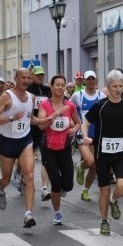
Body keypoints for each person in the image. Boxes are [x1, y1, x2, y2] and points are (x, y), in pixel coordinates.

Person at [81, 69, 123, 236]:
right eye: (114, 86)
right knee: (104, 189)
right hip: (101, 154)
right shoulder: (100, 105)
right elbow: (86, 123)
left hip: (121, 153)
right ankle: (104, 221)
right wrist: (84, 136)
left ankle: (114, 200)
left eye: (120, 86)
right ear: (108, 87)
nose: (118, 89)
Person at [0, 68, 39, 228]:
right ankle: (1, 188)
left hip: (25, 140)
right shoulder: (6, 97)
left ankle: (28, 214)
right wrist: (11, 117)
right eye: (23, 78)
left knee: (29, 175)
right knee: (6, 178)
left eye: (28, 78)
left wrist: (43, 121)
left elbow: (30, 119)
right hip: (7, 141)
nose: (26, 81)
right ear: (16, 78)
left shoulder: (31, 97)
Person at [38, 75, 81, 224]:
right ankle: (57, 212)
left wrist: (75, 129)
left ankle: (61, 189)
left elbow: (78, 122)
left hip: (65, 147)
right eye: (57, 85)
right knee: (56, 183)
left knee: (68, 185)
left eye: (63, 85)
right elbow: (42, 125)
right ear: (51, 86)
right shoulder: (44, 104)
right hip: (48, 148)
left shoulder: (70, 105)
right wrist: (58, 112)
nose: (60, 88)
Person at [71, 70, 105, 201]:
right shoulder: (77, 95)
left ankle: (85, 190)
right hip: (81, 133)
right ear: (84, 81)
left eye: (93, 79)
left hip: (96, 134)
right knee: (90, 161)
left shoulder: (101, 96)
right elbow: (70, 110)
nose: (91, 82)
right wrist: (72, 125)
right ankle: (81, 165)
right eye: (88, 79)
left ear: (96, 80)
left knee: (95, 166)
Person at [27, 65, 52, 201]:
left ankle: (44, 188)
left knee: (46, 158)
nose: (40, 77)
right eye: (38, 75)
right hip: (30, 126)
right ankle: (19, 174)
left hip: (44, 126)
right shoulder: (27, 90)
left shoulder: (48, 90)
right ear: (32, 76)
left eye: (42, 75)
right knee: (28, 157)